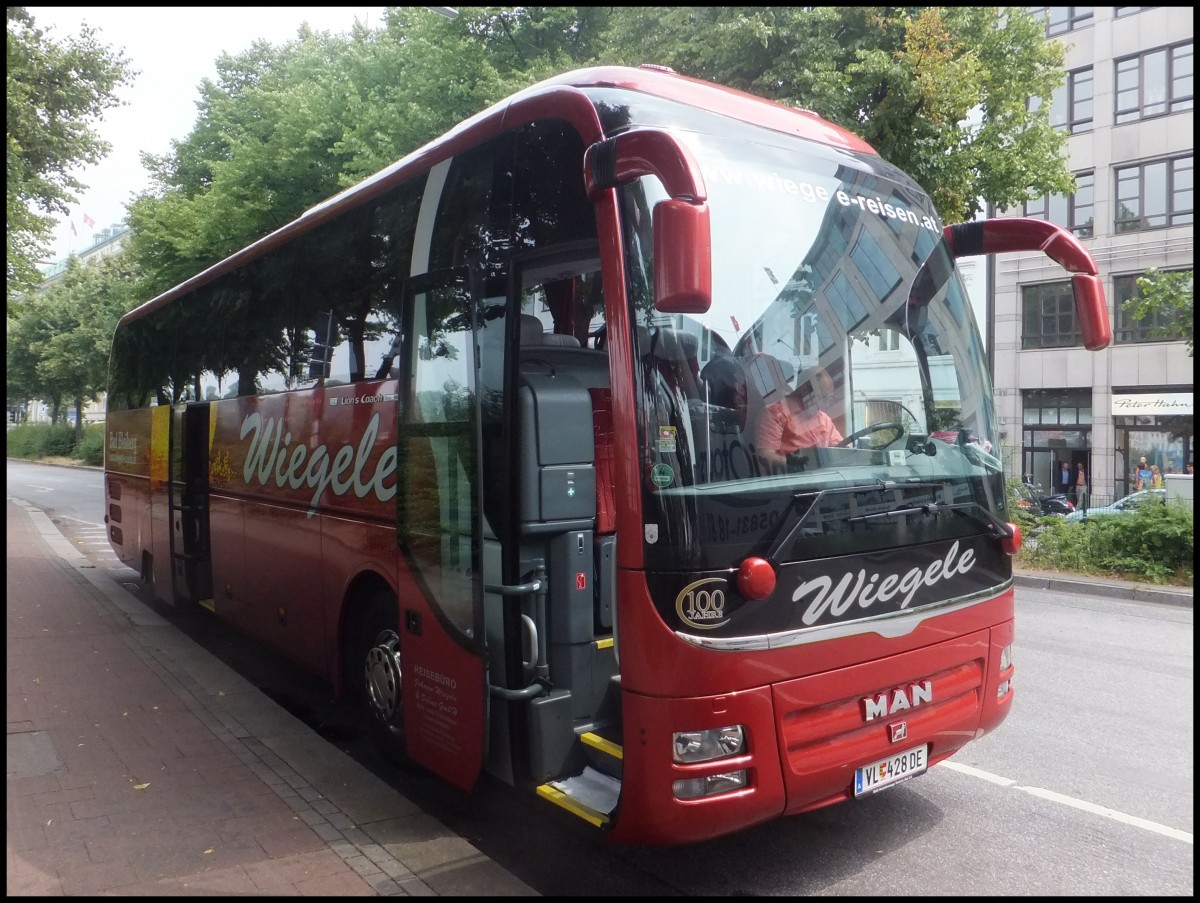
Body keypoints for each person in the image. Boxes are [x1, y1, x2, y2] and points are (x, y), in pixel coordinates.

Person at [754, 376, 844, 471]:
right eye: (822, 397)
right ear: (805, 390)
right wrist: (795, 463)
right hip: (794, 479)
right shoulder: (775, 414)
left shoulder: (823, 418)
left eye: (827, 399)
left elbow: (841, 448)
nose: (825, 404)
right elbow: (765, 456)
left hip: (827, 478)